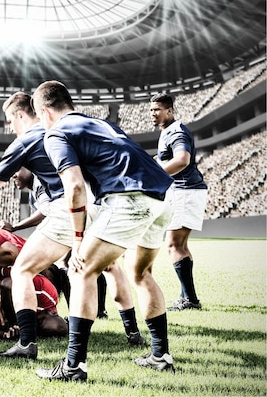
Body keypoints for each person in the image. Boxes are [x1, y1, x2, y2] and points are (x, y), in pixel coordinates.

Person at [0, 92, 143, 361]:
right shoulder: (70, 128)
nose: (10, 127)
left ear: (19, 115)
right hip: (102, 203)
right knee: (105, 268)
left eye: (9, 120)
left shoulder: (28, 137)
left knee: (22, 270)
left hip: (68, 206)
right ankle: (132, 332)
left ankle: (27, 344)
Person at [31, 80, 175, 382]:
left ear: (44, 111)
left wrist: (79, 239)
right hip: (163, 196)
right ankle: (160, 355)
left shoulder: (55, 132)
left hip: (130, 197)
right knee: (141, 274)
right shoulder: (97, 123)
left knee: (82, 271)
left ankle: (73, 366)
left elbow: (74, 187)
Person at [2, 166, 109, 320]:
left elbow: (46, 212)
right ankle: (88, 311)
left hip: (80, 219)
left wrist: (15, 227)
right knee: (74, 265)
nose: (13, 176)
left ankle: (89, 312)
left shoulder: (40, 181)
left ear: (29, 168)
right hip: (77, 222)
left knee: (73, 264)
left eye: (17, 170)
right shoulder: (34, 194)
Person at [150, 92, 207, 311]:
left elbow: (182, 159)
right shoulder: (167, 132)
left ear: (169, 111)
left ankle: (190, 300)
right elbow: (166, 158)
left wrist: (156, 174)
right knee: (180, 245)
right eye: (151, 109)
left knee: (173, 245)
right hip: (184, 191)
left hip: (185, 191)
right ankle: (187, 297)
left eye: (157, 109)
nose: (152, 113)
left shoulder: (176, 131)